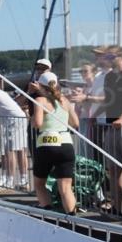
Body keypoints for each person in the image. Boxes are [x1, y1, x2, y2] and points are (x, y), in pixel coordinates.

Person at [30, 79, 79, 214]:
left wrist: (33, 119)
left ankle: (48, 211)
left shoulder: (40, 100)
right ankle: (73, 218)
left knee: (40, 183)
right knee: (65, 187)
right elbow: (75, 123)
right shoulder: (64, 100)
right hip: (65, 143)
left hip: (46, 143)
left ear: (40, 86)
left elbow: (38, 123)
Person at [101, 46, 122, 213]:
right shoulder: (109, 77)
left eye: (110, 56)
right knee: (113, 170)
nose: (106, 58)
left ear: (119, 56)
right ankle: (116, 207)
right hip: (111, 127)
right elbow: (107, 101)